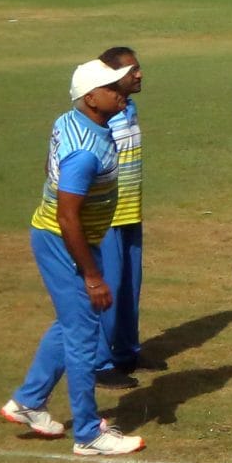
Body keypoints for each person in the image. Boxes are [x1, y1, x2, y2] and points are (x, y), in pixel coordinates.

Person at [0, 59, 145, 456]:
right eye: (113, 88)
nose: (121, 92)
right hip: (64, 240)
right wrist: (93, 276)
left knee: (71, 322)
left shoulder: (74, 119)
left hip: (64, 236)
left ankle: (30, 400)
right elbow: (67, 215)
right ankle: (87, 433)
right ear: (91, 97)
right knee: (83, 335)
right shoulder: (85, 151)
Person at [93, 46, 147, 385]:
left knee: (130, 285)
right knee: (108, 289)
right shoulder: (102, 116)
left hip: (131, 210)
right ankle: (100, 363)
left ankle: (126, 351)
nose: (140, 74)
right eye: (133, 71)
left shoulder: (129, 107)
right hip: (105, 217)